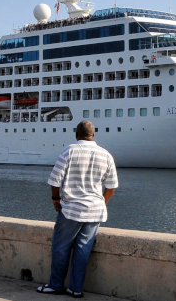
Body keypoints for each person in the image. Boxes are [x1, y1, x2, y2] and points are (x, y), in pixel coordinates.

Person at [37, 120, 118, 298]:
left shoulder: (70, 151)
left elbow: (54, 180)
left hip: (71, 209)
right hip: (95, 211)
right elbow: (112, 186)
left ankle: (56, 285)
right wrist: (101, 202)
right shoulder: (106, 155)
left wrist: (55, 199)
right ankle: (76, 289)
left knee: (61, 246)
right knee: (83, 248)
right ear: (93, 135)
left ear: (76, 134)